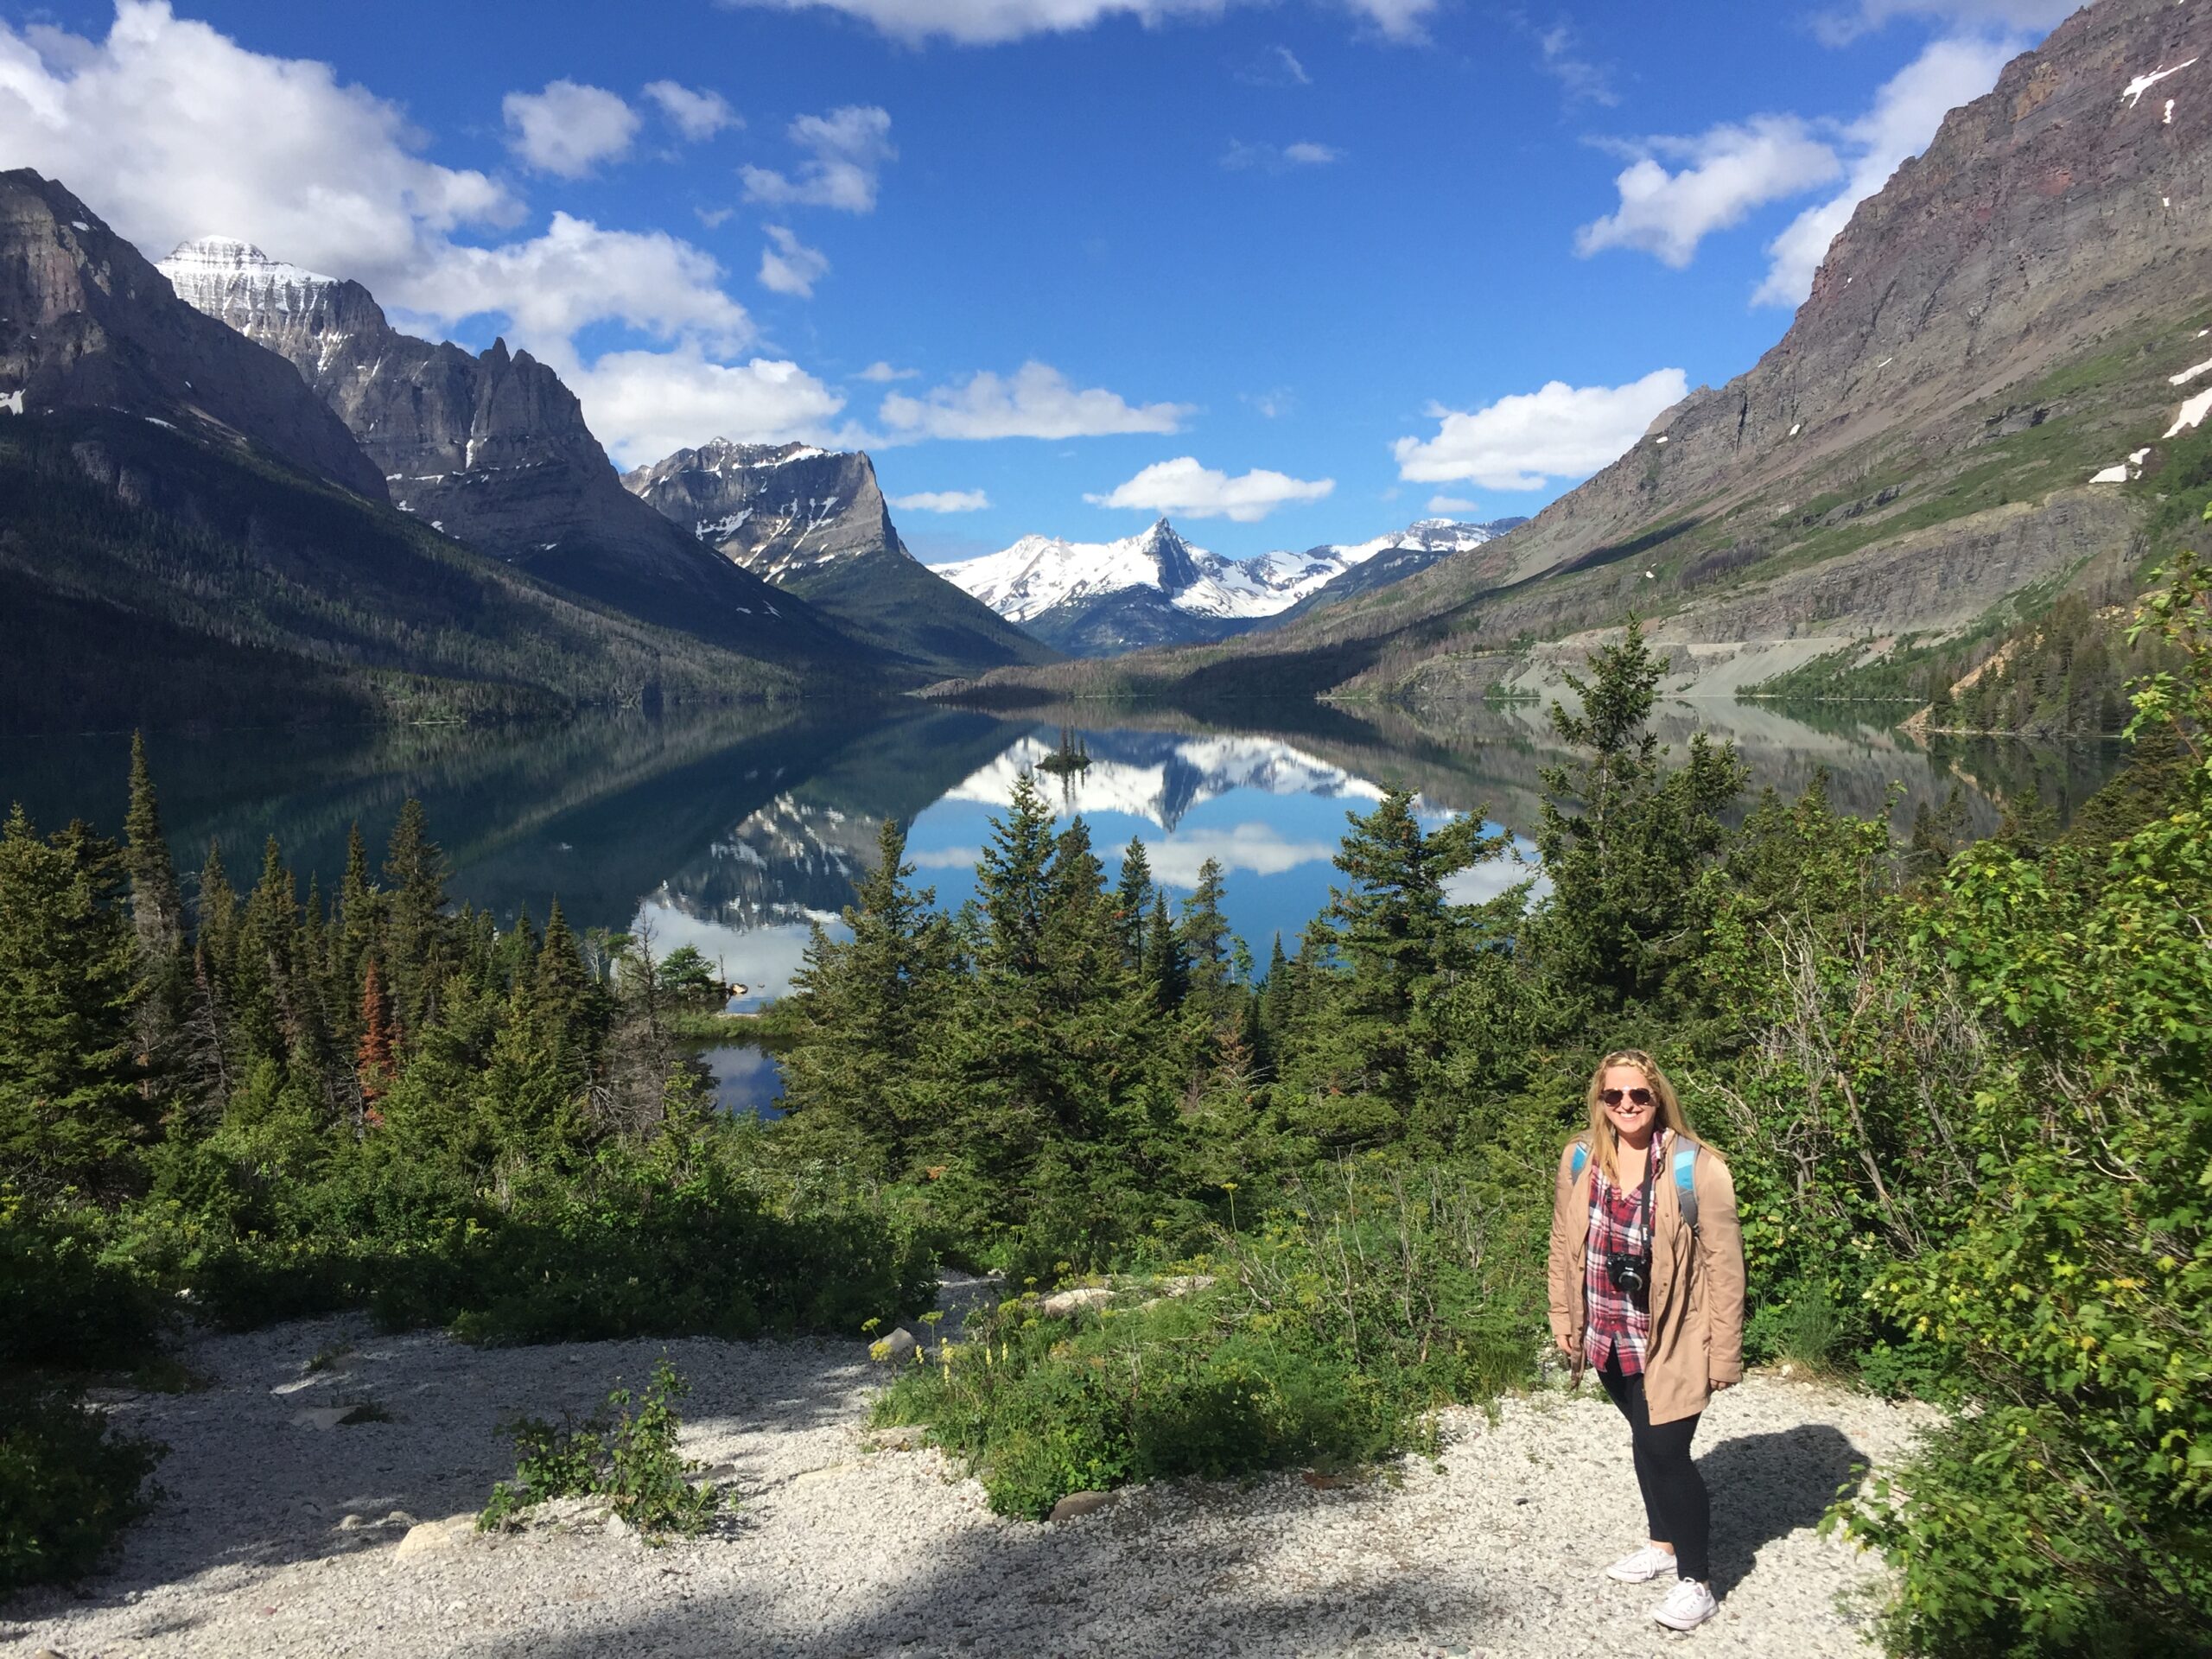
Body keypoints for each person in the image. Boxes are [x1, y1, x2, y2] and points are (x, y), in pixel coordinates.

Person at [1547, 1049, 1745, 1632]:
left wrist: (1725, 1352)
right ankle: (1661, 1544)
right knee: (1643, 1437)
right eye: (1615, 1095)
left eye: (1639, 1094)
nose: (1627, 1104)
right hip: (1607, 1332)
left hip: (1675, 1337)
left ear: (1659, 1097)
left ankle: (1697, 1581)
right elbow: (1562, 1239)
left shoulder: (1697, 1168)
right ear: (1600, 1100)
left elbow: (1726, 1267)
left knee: (1664, 1451)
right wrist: (1563, 1316)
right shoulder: (1580, 1157)